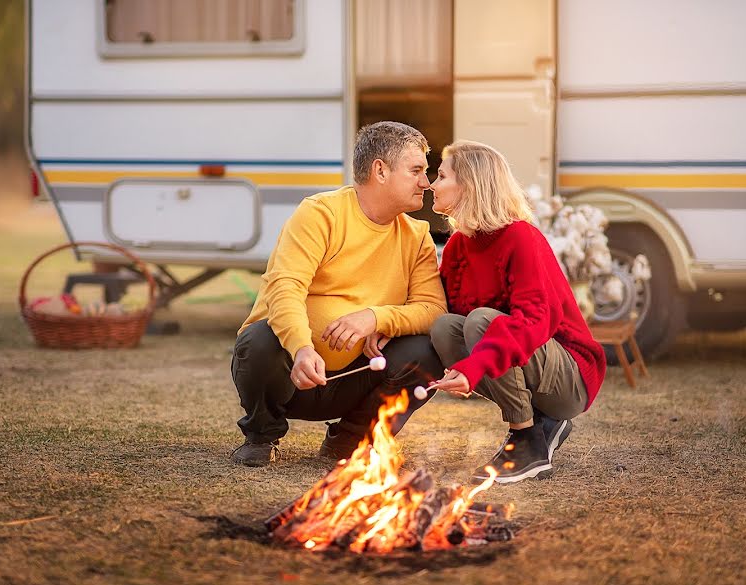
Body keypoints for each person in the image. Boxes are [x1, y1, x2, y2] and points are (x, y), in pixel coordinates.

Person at [230, 121, 447, 467]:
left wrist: (376, 318)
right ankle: (262, 434)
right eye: (417, 170)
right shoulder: (320, 213)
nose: (426, 182)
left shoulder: (417, 235)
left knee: (429, 349)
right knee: (258, 341)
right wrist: (301, 347)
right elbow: (284, 287)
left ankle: (350, 439)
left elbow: (433, 309)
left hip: (357, 376)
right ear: (380, 170)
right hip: (294, 371)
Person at [428, 140, 606, 484]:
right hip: (531, 364)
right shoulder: (457, 246)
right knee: (445, 327)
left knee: (482, 320)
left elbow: (533, 323)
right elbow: (447, 312)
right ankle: (541, 423)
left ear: (471, 185)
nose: (431, 185)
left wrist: (475, 366)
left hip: (571, 376)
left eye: (441, 176)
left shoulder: (521, 237)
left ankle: (526, 440)